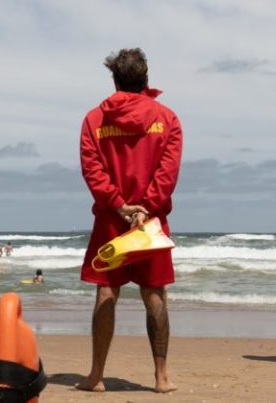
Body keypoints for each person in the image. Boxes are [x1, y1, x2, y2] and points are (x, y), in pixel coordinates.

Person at [77, 48, 182, 393]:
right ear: (146, 77)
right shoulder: (167, 118)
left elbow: (92, 171)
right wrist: (144, 208)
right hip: (149, 220)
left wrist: (120, 205)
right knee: (154, 295)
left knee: (107, 291)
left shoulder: (94, 119)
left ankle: (96, 375)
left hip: (111, 217)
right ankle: (161, 377)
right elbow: (167, 173)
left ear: (115, 78)